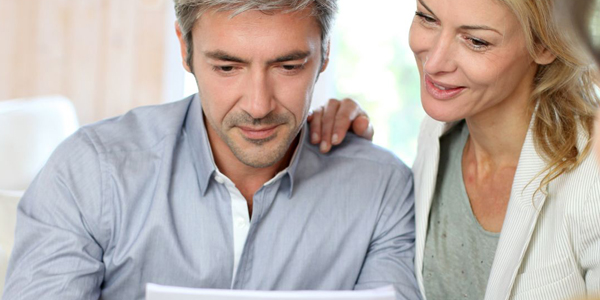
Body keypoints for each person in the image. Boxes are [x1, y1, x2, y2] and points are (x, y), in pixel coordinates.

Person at [1, 1, 422, 299]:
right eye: (227, 67)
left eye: (288, 66)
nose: (258, 106)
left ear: (326, 52)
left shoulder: (381, 191)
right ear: (185, 49)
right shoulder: (90, 173)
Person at [310, 0, 600, 299]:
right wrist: (351, 150)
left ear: (544, 44)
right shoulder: (435, 134)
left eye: (476, 41)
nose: (434, 63)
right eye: (427, 18)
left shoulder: (592, 178)